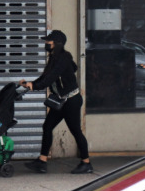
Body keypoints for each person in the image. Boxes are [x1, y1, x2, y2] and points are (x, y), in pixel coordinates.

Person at [19, 30, 92, 174]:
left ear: (57, 43)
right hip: (61, 100)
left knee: (75, 131)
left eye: (49, 41)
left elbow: (51, 77)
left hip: (71, 101)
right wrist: (31, 84)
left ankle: (86, 163)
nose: (46, 43)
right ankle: (42, 161)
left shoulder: (63, 58)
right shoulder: (55, 57)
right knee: (47, 126)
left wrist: (35, 86)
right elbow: (46, 76)